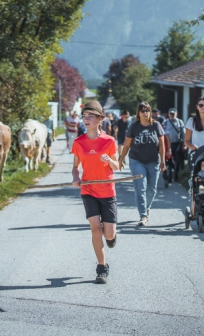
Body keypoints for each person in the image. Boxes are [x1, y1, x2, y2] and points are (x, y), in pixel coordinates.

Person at [71, 100, 119, 284]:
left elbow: (117, 166)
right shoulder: (78, 142)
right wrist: (76, 178)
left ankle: (112, 236)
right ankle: (102, 268)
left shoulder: (109, 141)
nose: (86, 119)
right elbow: (75, 168)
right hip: (88, 190)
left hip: (107, 191)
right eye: (84, 116)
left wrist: (109, 160)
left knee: (108, 234)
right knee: (95, 230)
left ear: (100, 119)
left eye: (90, 116)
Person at [118, 101, 165, 226]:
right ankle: (143, 215)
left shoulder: (156, 125)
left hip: (153, 161)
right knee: (141, 189)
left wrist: (163, 161)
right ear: (138, 113)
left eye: (147, 110)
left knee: (152, 190)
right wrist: (121, 159)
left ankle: (146, 207)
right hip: (136, 160)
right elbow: (127, 145)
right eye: (142, 110)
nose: (145, 112)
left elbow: (161, 144)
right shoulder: (134, 127)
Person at [163, 108, 186, 182]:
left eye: (173, 114)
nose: (172, 115)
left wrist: (184, 144)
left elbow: (183, 133)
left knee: (177, 161)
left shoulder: (180, 122)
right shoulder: (165, 122)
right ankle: (168, 176)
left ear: (176, 114)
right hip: (167, 145)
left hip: (177, 144)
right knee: (168, 160)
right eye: (170, 114)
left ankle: (176, 176)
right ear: (168, 114)